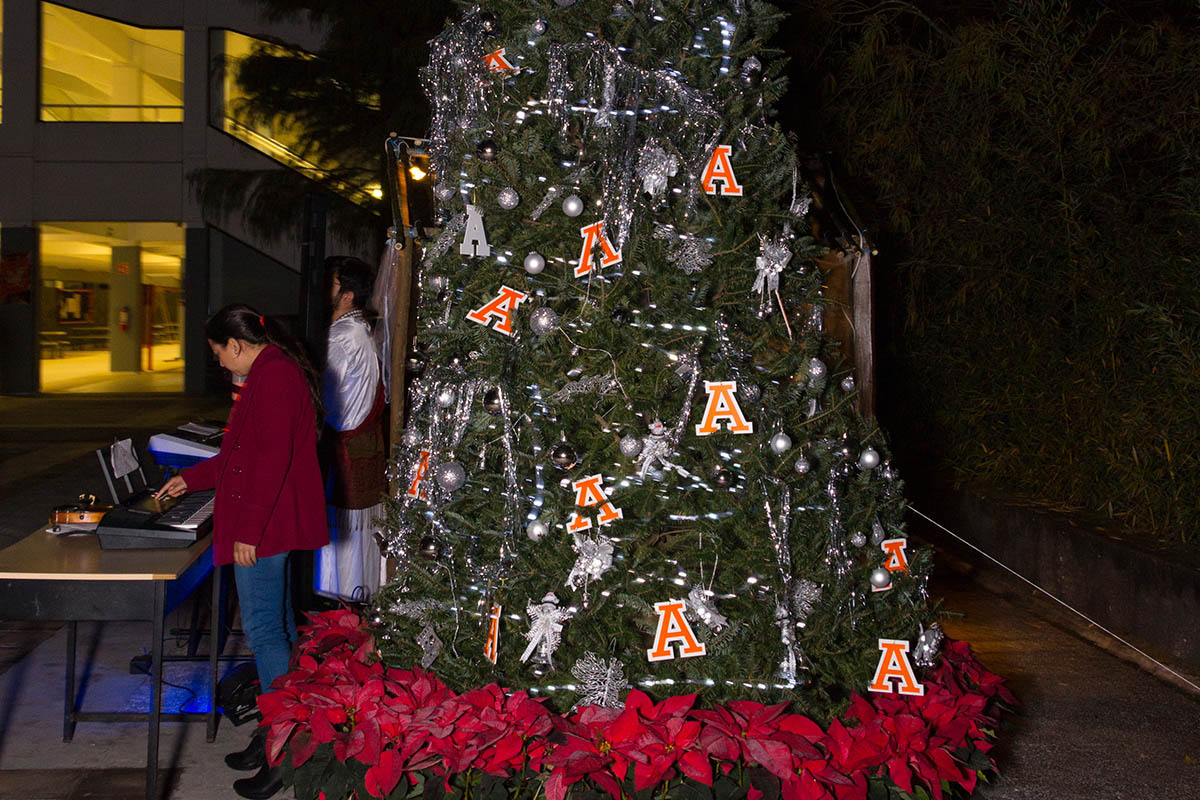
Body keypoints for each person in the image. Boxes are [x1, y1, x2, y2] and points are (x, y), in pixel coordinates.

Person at [156, 304, 328, 800]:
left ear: (236, 344)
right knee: (279, 628)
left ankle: (285, 748)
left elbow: (270, 462)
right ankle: (279, 730)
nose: (220, 364)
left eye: (218, 354)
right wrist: (191, 478)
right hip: (268, 522)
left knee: (264, 631)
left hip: (265, 527)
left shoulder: (273, 377)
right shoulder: (271, 371)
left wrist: (249, 532)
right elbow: (239, 455)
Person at [314, 256, 388, 601]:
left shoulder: (340, 336)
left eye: (330, 284)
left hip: (342, 448)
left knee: (339, 545)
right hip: (364, 444)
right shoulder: (364, 329)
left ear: (347, 295)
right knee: (359, 539)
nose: (323, 291)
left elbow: (323, 401)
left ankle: (337, 604)